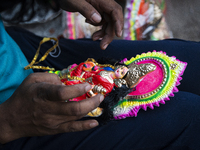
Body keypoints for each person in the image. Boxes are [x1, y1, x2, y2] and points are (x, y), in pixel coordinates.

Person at [0, 1, 200, 150]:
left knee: (194, 62)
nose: (122, 70)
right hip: (17, 123)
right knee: (189, 115)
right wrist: (8, 122)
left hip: (21, 51)